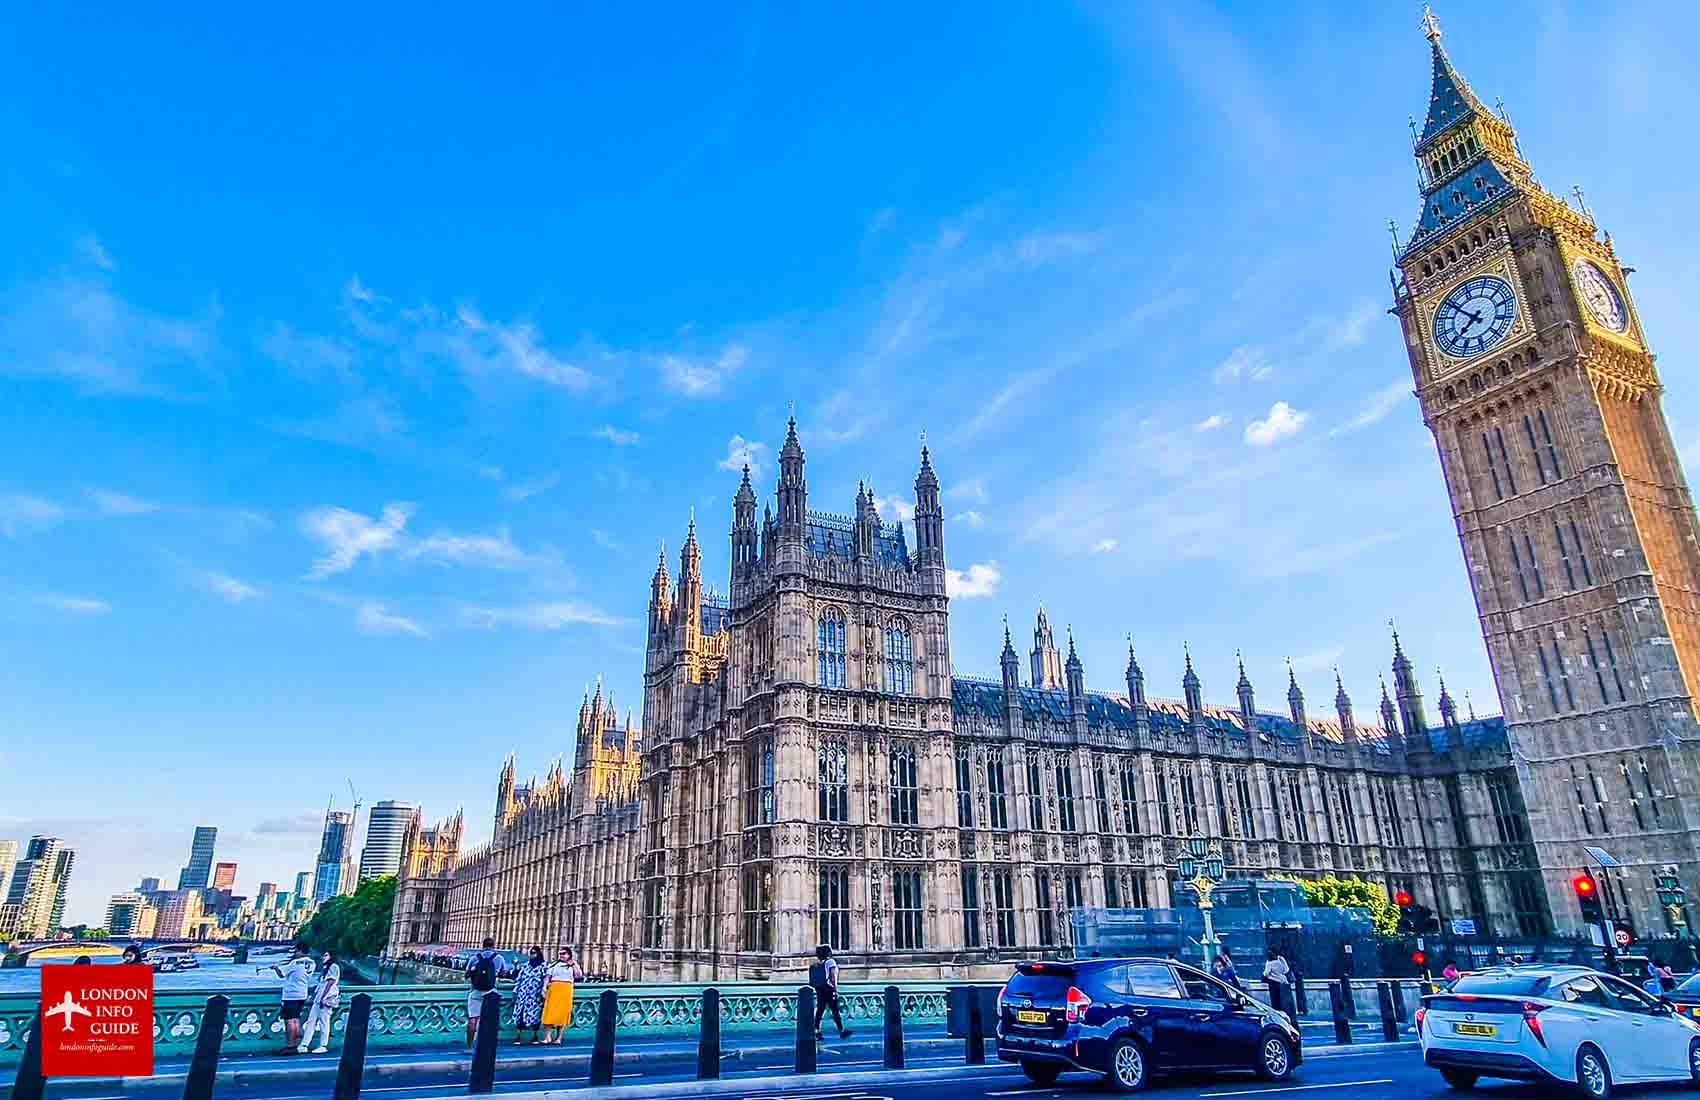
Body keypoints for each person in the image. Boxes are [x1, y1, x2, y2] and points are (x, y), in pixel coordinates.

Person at [264, 943, 316, 1054]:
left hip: (291, 995)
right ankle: (296, 1045)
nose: (294, 953)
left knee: (289, 1021)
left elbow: (282, 974)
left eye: (296, 951)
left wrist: (276, 968)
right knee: (296, 1019)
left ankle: (290, 1046)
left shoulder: (295, 963)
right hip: (303, 994)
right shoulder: (312, 963)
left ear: (300, 951)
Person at [466, 937, 508, 1050]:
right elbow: (504, 974)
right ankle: (486, 1046)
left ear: (482, 945)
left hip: (476, 991)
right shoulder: (499, 958)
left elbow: (467, 973)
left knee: (472, 1019)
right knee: (489, 1020)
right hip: (491, 991)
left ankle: (470, 1046)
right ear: (494, 945)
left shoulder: (475, 957)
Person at [299, 948, 341, 1054]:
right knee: (311, 1021)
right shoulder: (326, 968)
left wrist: (323, 997)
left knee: (324, 1022)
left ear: (331, 956)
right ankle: (304, 1044)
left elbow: (330, 982)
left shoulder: (334, 967)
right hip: (319, 998)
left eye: (326, 955)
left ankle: (323, 1045)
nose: (323, 957)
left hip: (326, 998)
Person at [809, 943, 852, 1040]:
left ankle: (816, 1031)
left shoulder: (818, 964)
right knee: (835, 1010)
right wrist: (835, 989)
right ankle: (841, 1031)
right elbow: (833, 977)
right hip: (829, 989)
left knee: (820, 1010)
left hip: (820, 989)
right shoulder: (831, 962)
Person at [542, 947, 582, 1044]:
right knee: (549, 1013)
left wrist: (573, 964)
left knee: (563, 1014)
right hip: (554, 989)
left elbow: (579, 975)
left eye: (564, 953)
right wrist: (544, 988)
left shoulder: (573, 965)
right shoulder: (554, 965)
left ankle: (559, 1038)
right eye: (560, 954)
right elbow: (547, 977)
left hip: (566, 990)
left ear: (569, 955)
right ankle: (548, 1037)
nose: (561, 956)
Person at [512, 946, 549, 1044]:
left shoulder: (544, 966)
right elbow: (519, 979)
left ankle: (535, 1035)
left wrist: (543, 991)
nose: (532, 955)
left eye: (534, 953)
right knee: (519, 1014)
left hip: (534, 995)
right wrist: (515, 991)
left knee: (535, 1015)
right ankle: (518, 1036)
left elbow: (546, 979)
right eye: (531, 953)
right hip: (523, 994)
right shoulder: (525, 965)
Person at [1262, 947, 1291, 1020]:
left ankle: (1277, 1015)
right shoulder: (1281, 959)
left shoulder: (1269, 962)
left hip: (1273, 983)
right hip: (1283, 983)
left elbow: (1266, 973)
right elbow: (1286, 970)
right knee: (1283, 1000)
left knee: (1275, 1001)